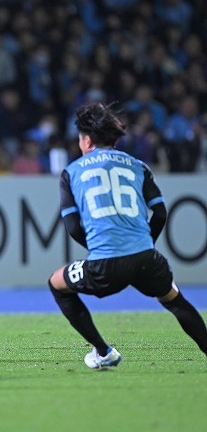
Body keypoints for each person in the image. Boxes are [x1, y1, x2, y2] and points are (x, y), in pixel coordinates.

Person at [48, 102, 207, 369]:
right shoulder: (138, 166)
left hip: (105, 263)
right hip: (147, 258)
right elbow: (160, 213)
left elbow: (74, 227)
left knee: (56, 283)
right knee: (173, 299)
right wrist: (143, 244)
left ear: (87, 140)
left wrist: (103, 247)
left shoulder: (72, 172)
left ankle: (103, 351)